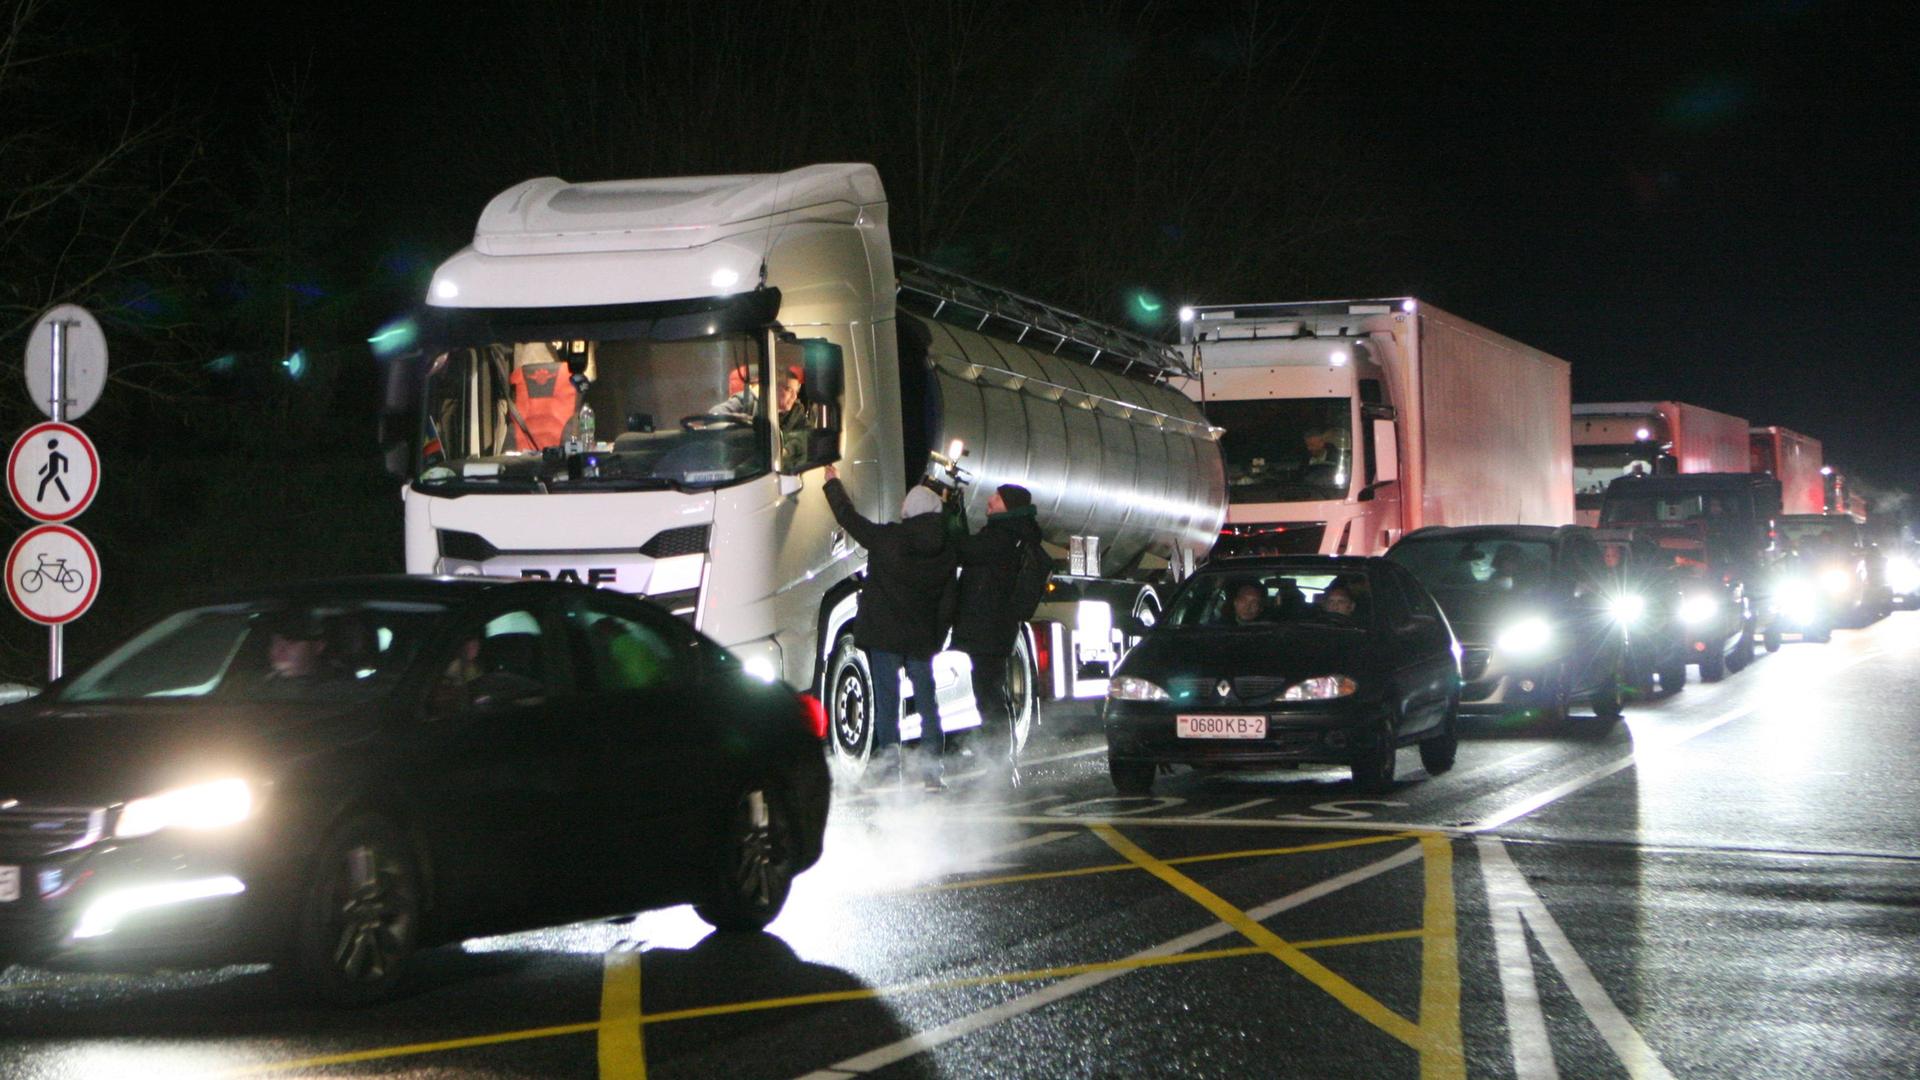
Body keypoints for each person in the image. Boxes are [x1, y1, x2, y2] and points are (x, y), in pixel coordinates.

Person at [822, 465, 957, 791]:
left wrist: (833, 483)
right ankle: (931, 774)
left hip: (885, 637)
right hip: (921, 639)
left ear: (908, 510)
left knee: (887, 704)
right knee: (927, 704)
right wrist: (936, 638)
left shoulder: (887, 539)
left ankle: (889, 773)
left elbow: (848, 518)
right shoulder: (946, 550)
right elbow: (948, 602)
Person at [950, 483, 1043, 789]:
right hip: (994, 630)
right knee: (990, 695)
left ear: (1010, 506)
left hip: (987, 631)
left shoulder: (1003, 536)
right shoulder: (1013, 534)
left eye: (997, 497)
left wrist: (951, 515)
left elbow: (964, 549)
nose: (990, 500)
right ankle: (998, 763)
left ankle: (1001, 766)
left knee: (989, 698)